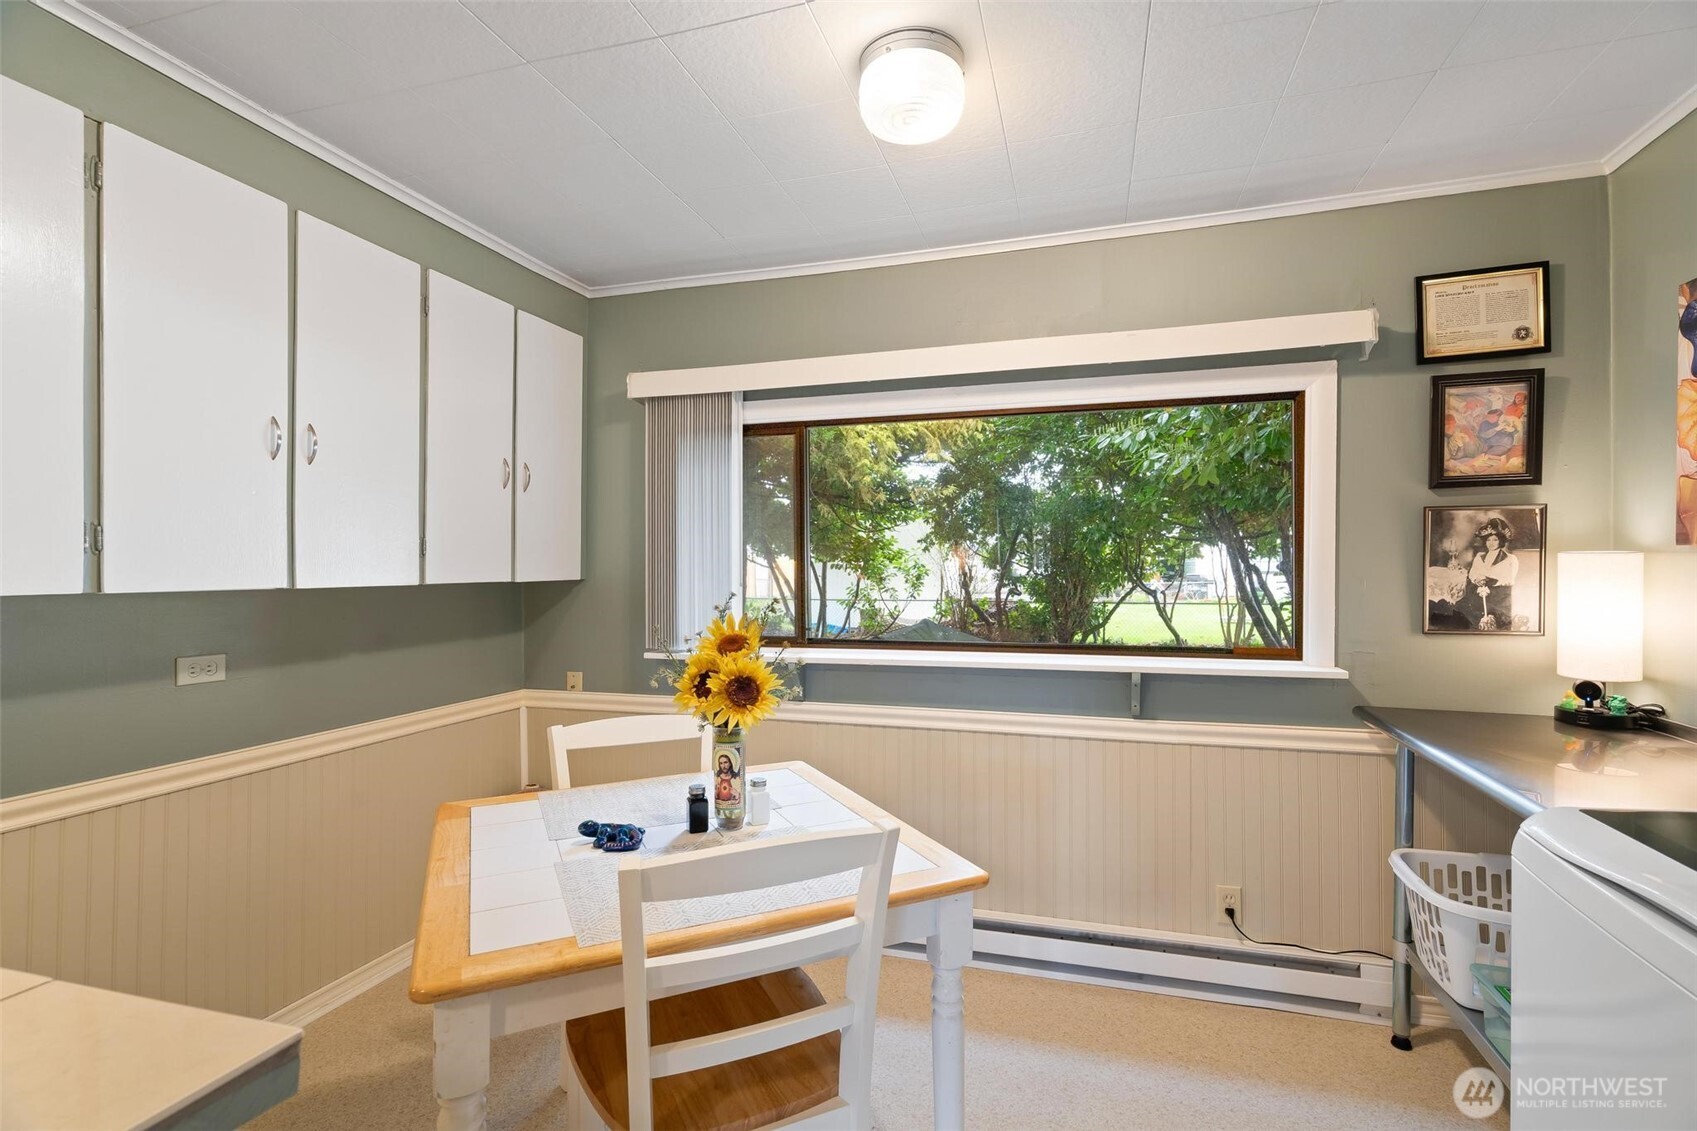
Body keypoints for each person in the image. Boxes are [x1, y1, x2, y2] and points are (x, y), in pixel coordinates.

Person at [1466, 517, 1519, 630]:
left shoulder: (1510, 559)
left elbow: (1510, 578)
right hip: (1479, 593)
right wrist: (1477, 579)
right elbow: (1472, 574)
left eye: (1495, 540)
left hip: (1499, 596)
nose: (1491, 543)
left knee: (1495, 618)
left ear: (1501, 541)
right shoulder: (1479, 556)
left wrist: (1490, 580)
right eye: (1488, 540)